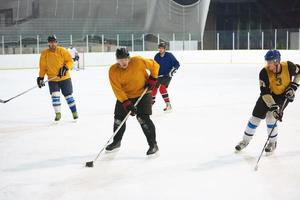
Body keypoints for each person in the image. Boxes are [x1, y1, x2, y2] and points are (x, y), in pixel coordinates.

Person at [235, 50, 300, 153]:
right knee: (255, 118)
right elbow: (265, 93)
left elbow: (299, 72)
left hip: (283, 96)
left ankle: (272, 143)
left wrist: (294, 86)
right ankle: (244, 141)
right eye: (267, 62)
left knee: (271, 117)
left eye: (269, 62)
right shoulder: (264, 72)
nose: (268, 64)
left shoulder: (289, 66)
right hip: (268, 96)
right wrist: (273, 107)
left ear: (276, 61)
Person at [107, 48, 160, 156]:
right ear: (117, 60)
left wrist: (153, 78)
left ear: (129, 58)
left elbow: (155, 66)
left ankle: (153, 145)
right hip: (125, 96)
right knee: (118, 119)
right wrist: (126, 102)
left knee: (142, 118)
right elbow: (117, 89)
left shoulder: (138, 61)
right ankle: (116, 142)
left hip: (143, 93)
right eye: (120, 59)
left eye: (125, 59)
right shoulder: (113, 70)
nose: (123, 62)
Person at [37, 35, 78, 121]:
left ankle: (74, 112)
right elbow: (43, 67)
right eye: (51, 42)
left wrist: (65, 67)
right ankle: (58, 114)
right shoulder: (44, 54)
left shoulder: (62, 51)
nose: (53, 43)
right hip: (53, 79)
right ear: (48, 43)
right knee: (55, 96)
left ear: (57, 42)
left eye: (54, 42)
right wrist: (41, 78)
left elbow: (70, 61)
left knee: (68, 96)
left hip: (65, 78)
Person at [152, 42, 180, 111]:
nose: (160, 49)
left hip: (167, 75)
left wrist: (173, 70)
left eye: (162, 48)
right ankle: (150, 104)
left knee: (162, 88)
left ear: (165, 49)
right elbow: (154, 66)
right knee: (154, 88)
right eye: (159, 48)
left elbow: (177, 64)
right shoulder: (156, 56)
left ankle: (168, 105)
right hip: (159, 75)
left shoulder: (169, 55)